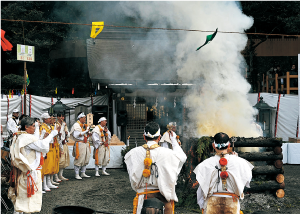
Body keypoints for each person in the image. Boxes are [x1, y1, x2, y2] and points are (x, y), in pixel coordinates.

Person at [124, 121, 187, 214]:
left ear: (144, 137)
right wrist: (173, 140)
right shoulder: (168, 153)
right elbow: (182, 157)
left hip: (143, 199)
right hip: (164, 200)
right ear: (159, 137)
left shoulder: (132, 153)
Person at [8, 117, 59, 214]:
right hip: (28, 171)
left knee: (21, 196)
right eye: (33, 126)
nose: (35, 128)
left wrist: (43, 136)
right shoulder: (26, 137)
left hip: (23, 170)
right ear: (26, 127)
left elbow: (37, 144)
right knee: (24, 198)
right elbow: (43, 146)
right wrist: (52, 134)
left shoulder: (20, 135)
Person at [193, 132, 254, 214]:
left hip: (212, 205)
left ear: (213, 146)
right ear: (229, 146)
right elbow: (247, 181)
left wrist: (202, 205)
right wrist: (236, 162)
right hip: (232, 205)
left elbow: (201, 188)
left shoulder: (205, 164)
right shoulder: (240, 162)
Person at [40, 113, 60, 191]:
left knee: (50, 166)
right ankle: (44, 185)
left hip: (51, 148)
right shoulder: (42, 127)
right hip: (46, 148)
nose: (50, 120)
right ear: (45, 119)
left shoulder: (48, 126)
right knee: (45, 167)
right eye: (49, 118)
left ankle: (49, 183)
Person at [70, 112, 92, 179]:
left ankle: (83, 173)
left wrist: (89, 133)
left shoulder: (84, 125)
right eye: (84, 117)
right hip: (79, 143)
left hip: (85, 143)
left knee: (85, 157)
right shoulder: (76, 125)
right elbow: (77, 135)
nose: (85, 119)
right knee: (79, 158)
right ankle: (77, 174)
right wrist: (86, 131)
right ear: (80, 118)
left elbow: (86, 134)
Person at [55, 113, 70, 181]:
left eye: (63, 116)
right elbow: (56, 134)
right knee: (58, 160)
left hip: (64, 142)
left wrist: (67, 133)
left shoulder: (64, 124)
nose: (62, 118)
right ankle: (55, 176)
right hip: (58, 143)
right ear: (58, 117)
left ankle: (61, 175)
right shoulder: (56, 124)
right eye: (61, 116)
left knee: (63, 160)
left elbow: (68, 133)